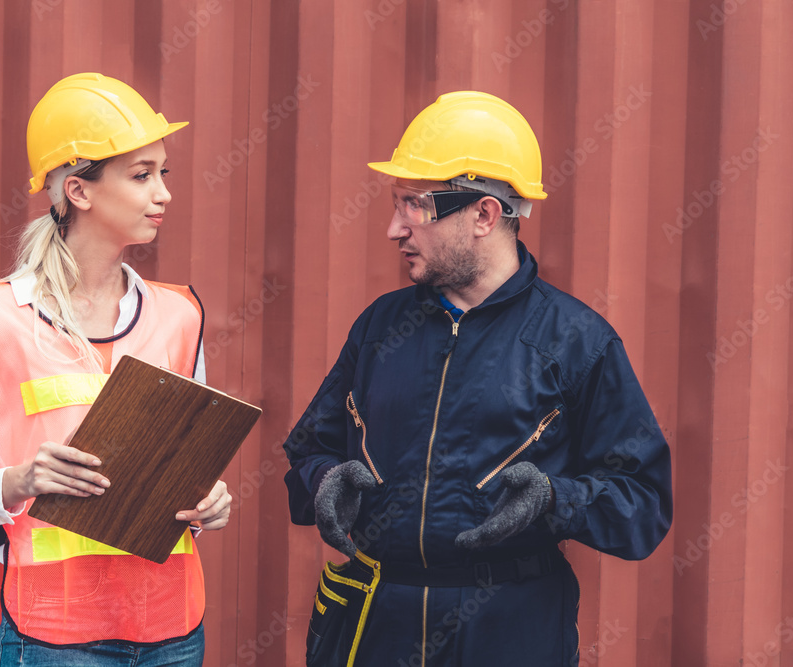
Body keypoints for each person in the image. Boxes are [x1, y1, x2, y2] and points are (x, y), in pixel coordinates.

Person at [283, 91, 672, 666]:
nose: (394, 228)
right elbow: (310, 449)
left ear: (484, 215)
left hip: (508, 631)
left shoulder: (576, 342)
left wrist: (553, 499)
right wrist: (323, 481)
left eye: (413, 204)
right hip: (376, 627)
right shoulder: (381, 327)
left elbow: (642, 507)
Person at [0, 72, 229, 666]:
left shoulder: (179, 315)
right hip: (55, 635)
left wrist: (210, 500)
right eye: (141, 176)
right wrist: (20, 481)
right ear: (79, 191)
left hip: (174, 626)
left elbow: (187, 465)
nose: (163, 192)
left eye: (163, 173)